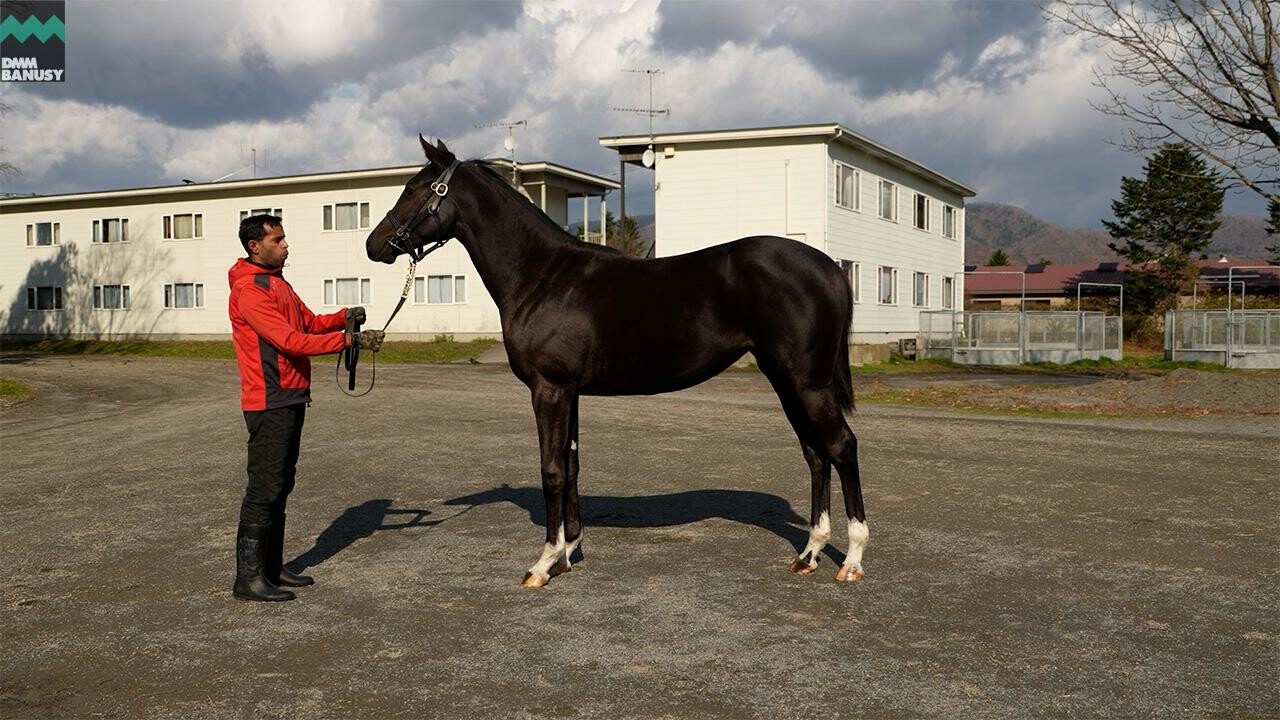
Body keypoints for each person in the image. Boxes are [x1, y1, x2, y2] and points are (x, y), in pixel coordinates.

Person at [227, 214, 384, 602]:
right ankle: (247, 579)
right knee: (264, 489)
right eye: (277, 240)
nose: (285, 245)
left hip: (291, 395)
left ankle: (271, 567)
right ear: (255, 246)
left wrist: (343, 319)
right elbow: (290, 341)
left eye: (284, 238)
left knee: (281, 486)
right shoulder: (250, 290)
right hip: (269, 399)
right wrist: (350, 342)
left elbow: (310, 323)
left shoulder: (277, 283)